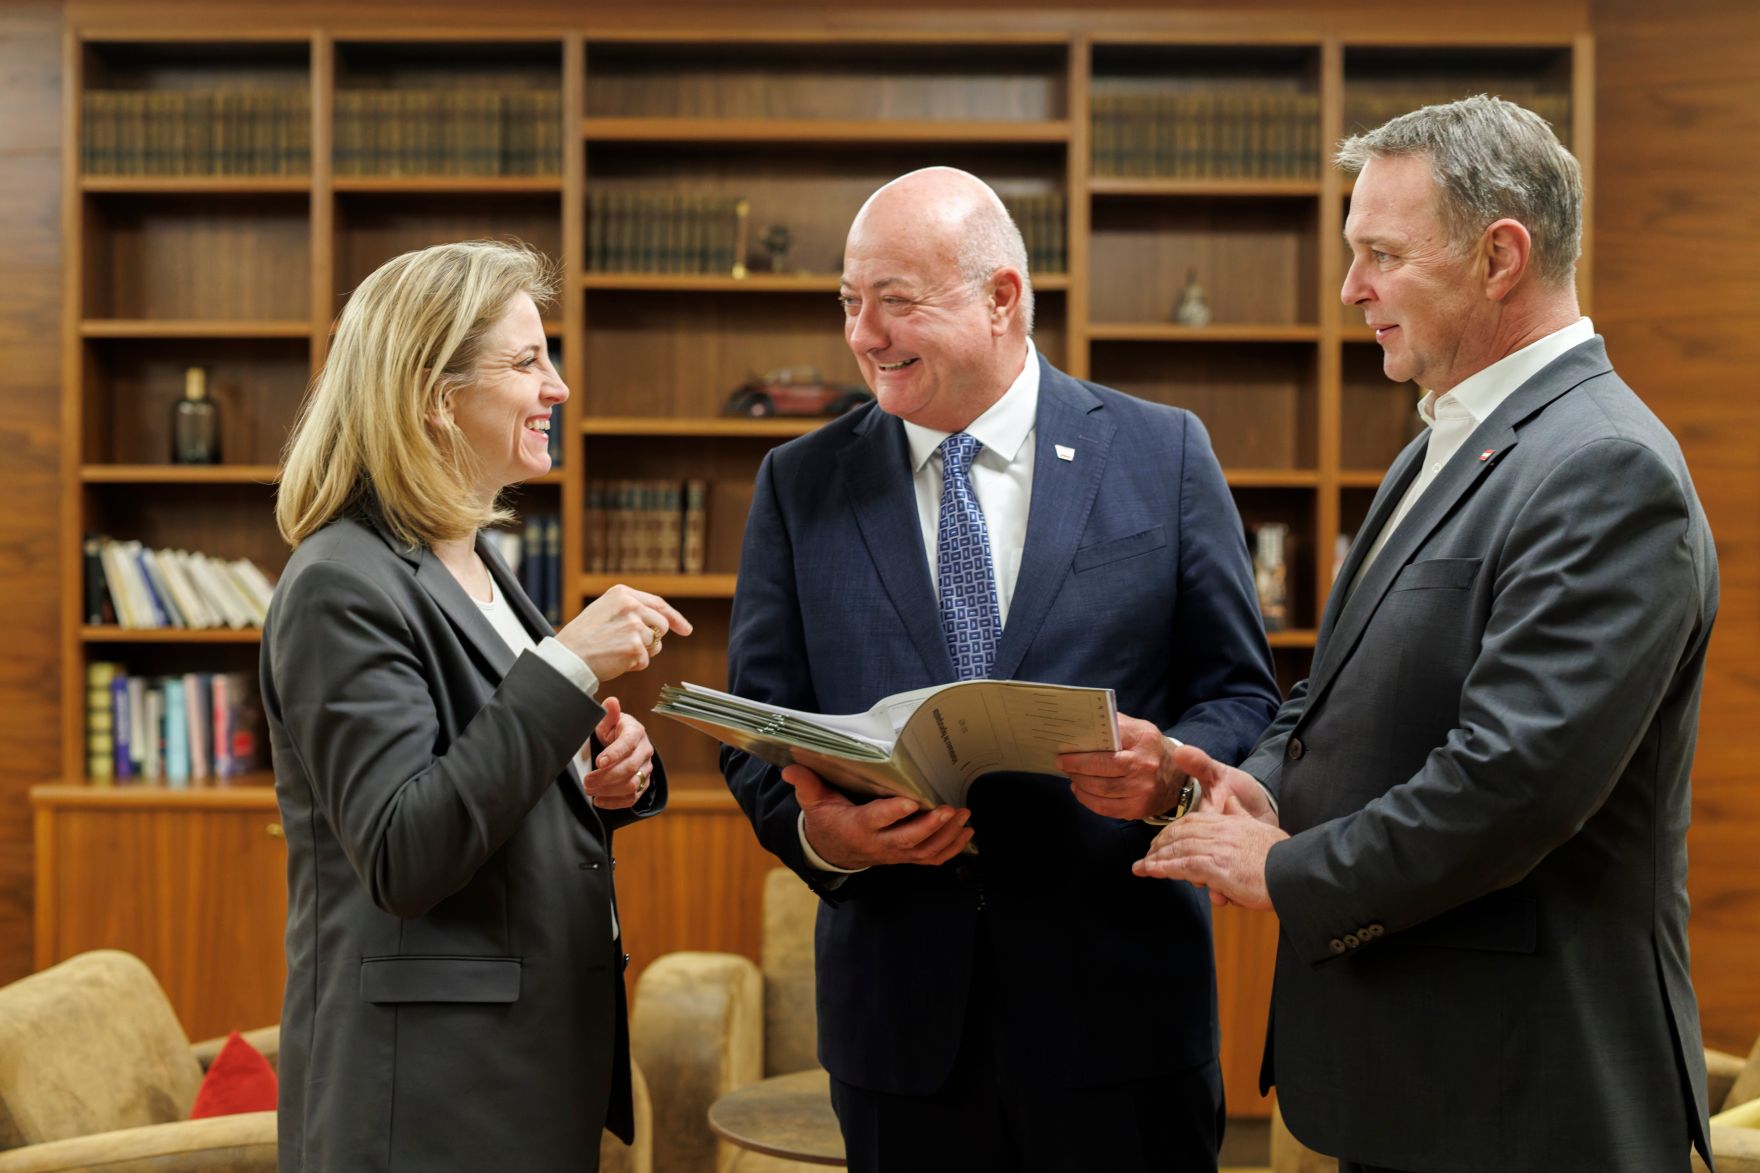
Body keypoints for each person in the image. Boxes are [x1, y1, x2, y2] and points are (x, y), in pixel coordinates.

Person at [1136, 96, 1718, 1173]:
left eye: (1379, 254)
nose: (1350, 288)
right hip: (1413, 1081)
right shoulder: (1442, 442)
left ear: (1500, 255)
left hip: (1516, 1096)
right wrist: (1258, 781)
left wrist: (1286, 869)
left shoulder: (1602, 468)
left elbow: (1512, 784)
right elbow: (1334, 691)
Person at [721, 166, 1282, 1172]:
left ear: (1001, 298)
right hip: (898, 1036)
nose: (862, 334)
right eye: (849, 301)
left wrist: (1172, 774)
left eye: (894, 300)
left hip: (1123, 1020)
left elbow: (1242, 692)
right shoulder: (799, 483)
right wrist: (826, 835)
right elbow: (760, 731)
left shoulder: (1163, 454)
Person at [262, 239, 691, 1171]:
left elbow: (490, 768)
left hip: (522, 1068)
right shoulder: (339, 581)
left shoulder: (478, 560)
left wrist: (599, 772)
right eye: (528, 361)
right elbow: (405, 851)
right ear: (433, 393)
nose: (560, 388)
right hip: (428, 1099)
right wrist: (569, 670)